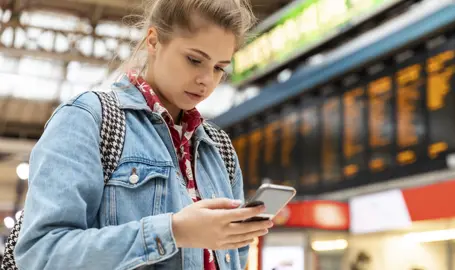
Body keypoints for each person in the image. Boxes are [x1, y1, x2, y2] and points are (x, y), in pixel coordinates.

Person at [13, 0, 272, 269]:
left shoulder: (219, 148)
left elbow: (236, 257)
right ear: (153, 41)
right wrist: (173, 232)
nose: (206, 79)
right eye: (194, 60)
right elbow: (41, 253)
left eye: (219, 68)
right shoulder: (89, 119)